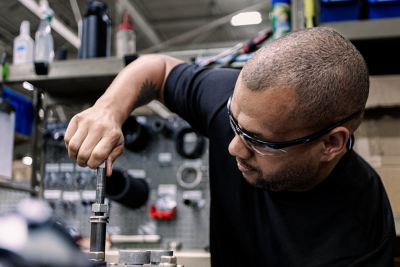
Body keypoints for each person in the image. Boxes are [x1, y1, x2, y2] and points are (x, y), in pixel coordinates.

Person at [65, 27, 395, 266]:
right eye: (234, 122)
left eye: (259, 141)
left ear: (330, 144)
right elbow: (159, 69)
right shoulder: (243, 106)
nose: (234, 147)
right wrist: (108, 110)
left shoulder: (356, 241)